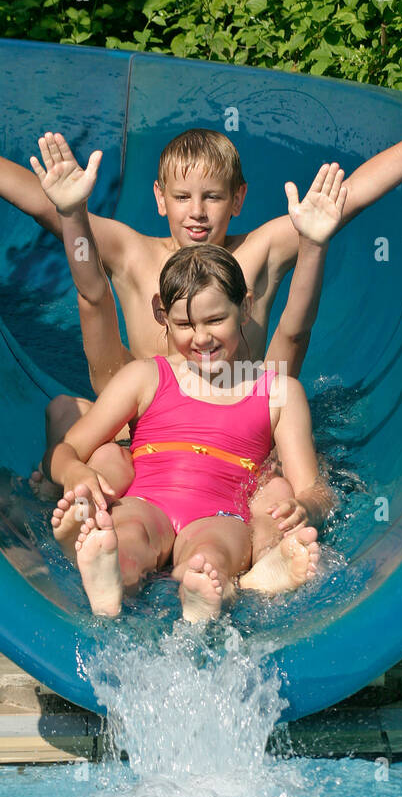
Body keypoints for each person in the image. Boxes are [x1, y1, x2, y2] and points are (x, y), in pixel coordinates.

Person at [0, 114, 402, 547]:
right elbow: (48, 207)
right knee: (65, 420)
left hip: (234, 441)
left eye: (211, 197)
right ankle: (63, 510)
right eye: (182, 197)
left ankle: (241, 550)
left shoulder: (255, 254)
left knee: (283, 491)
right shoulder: (129, 252)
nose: (197, 212)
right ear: (159, 199)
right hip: (135, 438)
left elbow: (345, 202)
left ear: (238, 199)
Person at [47, 244, 331, 623]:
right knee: (127, 536)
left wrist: (304, 507)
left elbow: (314, 488)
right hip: (146, 500)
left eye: (215, 320)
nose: (201, 338)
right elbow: (67, 449)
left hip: (220, 512)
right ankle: (111, 579)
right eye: (184, 325)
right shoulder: (147, 376)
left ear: (244, 308)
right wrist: (76, 473)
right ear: (161, 315)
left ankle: (204, 594)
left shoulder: (278, 393)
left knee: (210, 556)